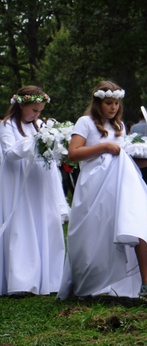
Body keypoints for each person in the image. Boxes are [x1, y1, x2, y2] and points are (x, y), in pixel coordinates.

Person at [57, 80, 147, 299]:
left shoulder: (118, 127)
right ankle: (92, 282)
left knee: (137, 225)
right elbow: (73, 153)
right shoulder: (86, 122)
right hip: (96, 186)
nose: (113, 108)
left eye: (117, 104)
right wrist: (104, 147)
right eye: (109, 103)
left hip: (123, 185)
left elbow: (125, 159)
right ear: (98, 102)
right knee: (96, 233)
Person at [0, 86, 66, 296]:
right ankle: (22, 280)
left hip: (41, 181)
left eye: (40, 110)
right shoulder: (8, 125)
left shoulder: (40, 125)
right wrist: (36, 142)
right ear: (21, 105)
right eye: (34, 110)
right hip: (19, 181)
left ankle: (51, 278)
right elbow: (10, 153)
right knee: (23, 224)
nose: (38, 114)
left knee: (46, 222)